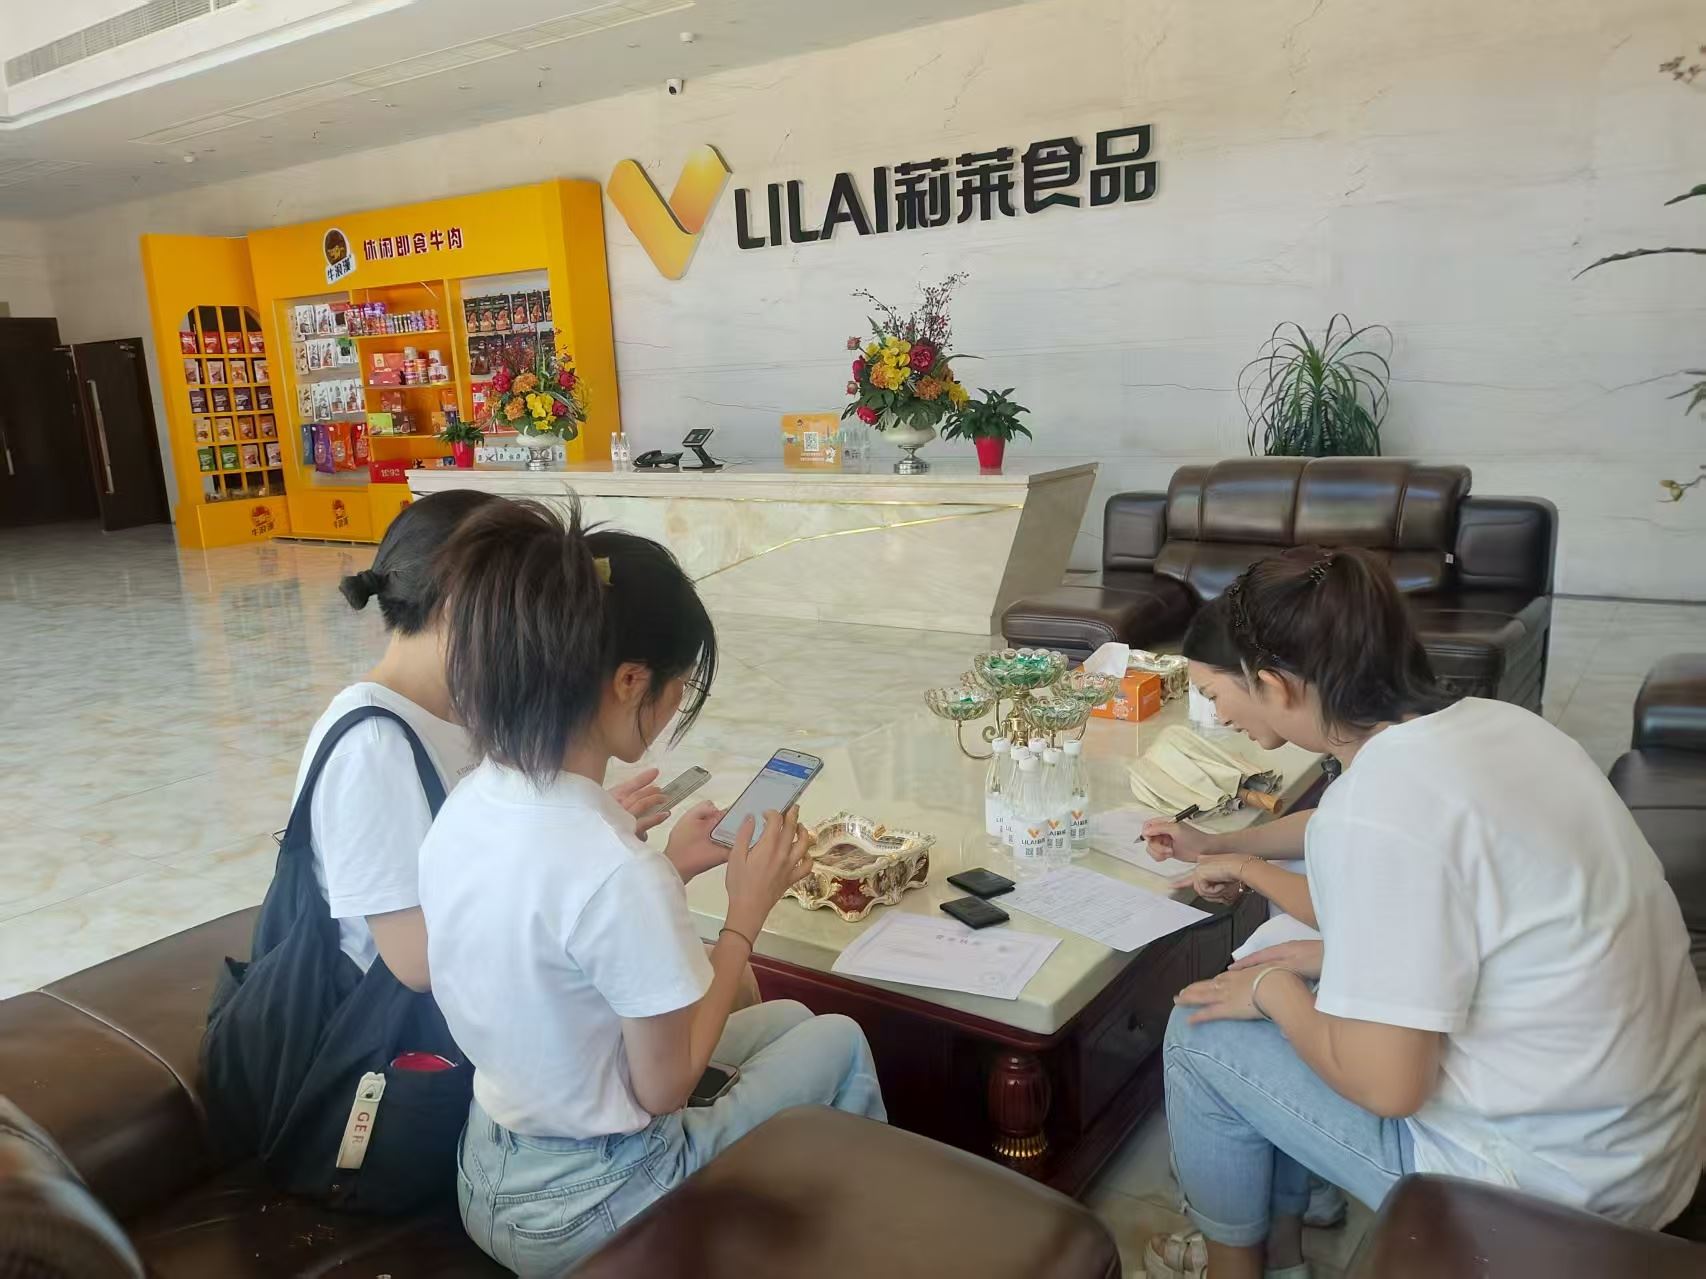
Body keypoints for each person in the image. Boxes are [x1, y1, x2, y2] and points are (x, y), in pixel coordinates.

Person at [1139, 547, 1704, 1279]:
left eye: (1222, 693)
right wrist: (1304, 947)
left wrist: (1272, 992)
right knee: (1285, 956)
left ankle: (1235, 1267)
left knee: (1202, 1029)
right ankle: (1285, 1243)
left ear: (1275, 685)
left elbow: (1390, 1087)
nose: (1220, 713)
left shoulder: (1379, 809)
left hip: (1548, 1188)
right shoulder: (1505, 726)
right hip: (1648, 1141)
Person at [417, 500, 886, 1277]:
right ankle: (856, 1247)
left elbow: (562, 942)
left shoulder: (472, 802)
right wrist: (744, 916)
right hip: (597, 1203)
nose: (674, 706)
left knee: (792, 1020)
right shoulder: (613, 865)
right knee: (838, 1040)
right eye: (677, 685)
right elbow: (665, 1087)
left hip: (490, 1173)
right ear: (631, 680)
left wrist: (674, 864)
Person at [200, 491, 681, 1212]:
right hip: (389, 1054)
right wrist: (571, 870)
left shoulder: (453, 714)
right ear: (464, 604)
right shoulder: (373, 745)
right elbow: (418, 961)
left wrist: (578, 835)